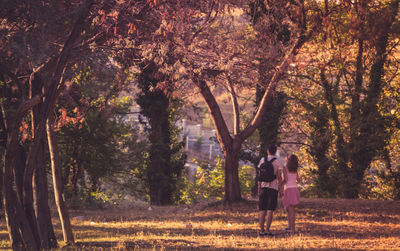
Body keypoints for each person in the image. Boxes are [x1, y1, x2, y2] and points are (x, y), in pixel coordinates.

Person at [258, 144, 284, 237]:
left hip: (263, 188)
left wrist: (259, 189)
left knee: (262, 209)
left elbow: (259, 176)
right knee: (270, 210)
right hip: (273, 188)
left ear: (268, 151)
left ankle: (261, 230)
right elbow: (280, 177)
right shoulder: (278, 161)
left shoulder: (262, 160)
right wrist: (281, 189)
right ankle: (267, 230)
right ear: (275, 151)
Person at [282, 154, 300, 234]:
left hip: (288, 189)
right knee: (288, 209)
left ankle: (292, 229)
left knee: (290, 210)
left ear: (288, 160)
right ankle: (290, 226)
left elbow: (285, 179)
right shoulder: (295, 169)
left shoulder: (285, 168)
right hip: (294, 189)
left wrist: (279, 183)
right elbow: (298, 180)